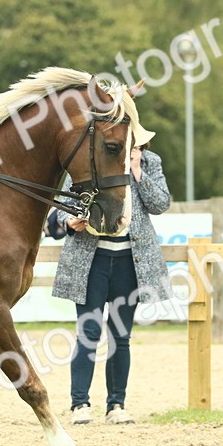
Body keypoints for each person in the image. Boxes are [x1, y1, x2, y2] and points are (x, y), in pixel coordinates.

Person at [51, 139, 172, 425]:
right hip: (91, 261)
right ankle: (80, 404)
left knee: (121, 336)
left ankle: (116, 405)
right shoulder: (87, 157)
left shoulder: (150, 162)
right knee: (89, 332)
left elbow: (160, 204)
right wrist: (68, 222)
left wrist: (137, 171)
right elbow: (63, 206)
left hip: (130, 262)